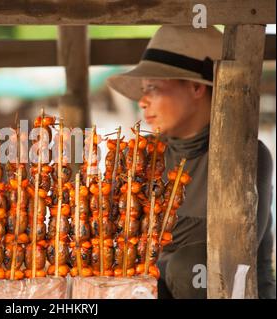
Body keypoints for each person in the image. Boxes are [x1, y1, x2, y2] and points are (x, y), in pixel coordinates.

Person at [107, 25, 275, 299]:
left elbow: (231, 254)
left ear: (196, 87)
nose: (143, 101)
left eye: (153, 87)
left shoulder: (248, 155)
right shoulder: (145, 158)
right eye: (142, 90)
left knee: (189, 265)